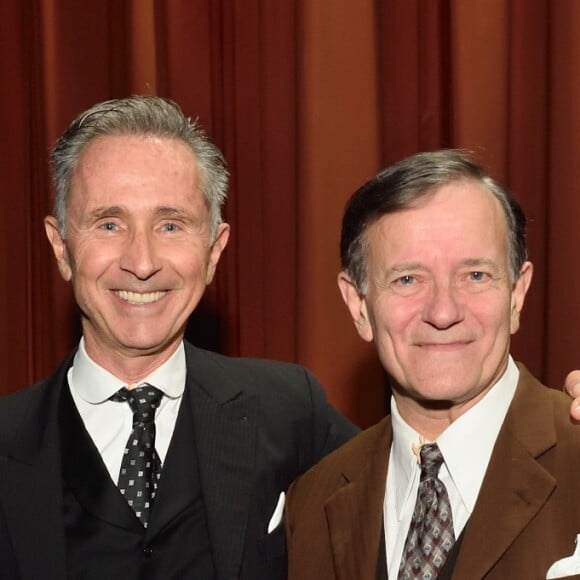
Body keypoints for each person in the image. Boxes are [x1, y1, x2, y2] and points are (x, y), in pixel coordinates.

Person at [0, 95, 356, 580]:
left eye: (171, 225)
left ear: (214, 250)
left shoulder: (292, 413)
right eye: (109, 223)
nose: (142, 263)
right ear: (61, 248)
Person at [285, 150, 580, 579]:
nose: (443, 312)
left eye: (475, 275)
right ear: (358, 306)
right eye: (408, 279)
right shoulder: (312, 502)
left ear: (516, 294)